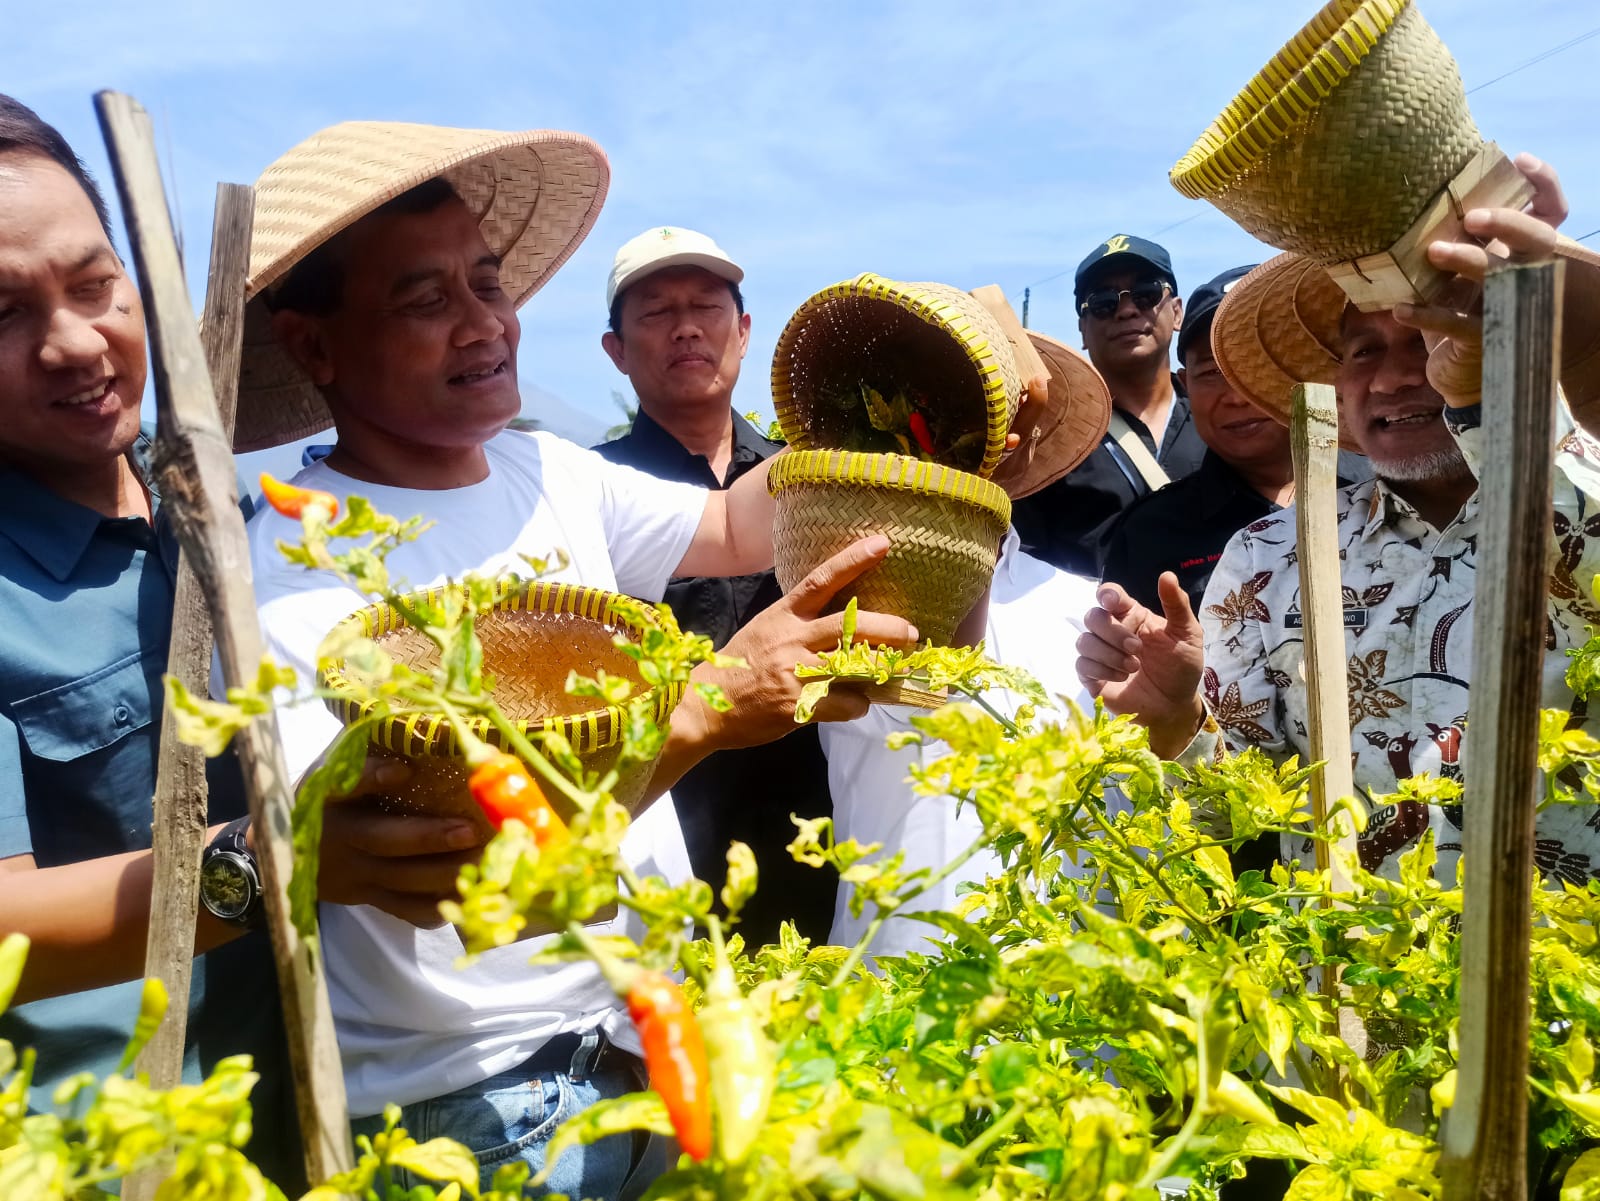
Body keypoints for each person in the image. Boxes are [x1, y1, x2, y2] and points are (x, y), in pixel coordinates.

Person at [236, 120, 917, 1198]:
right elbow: (440, 861)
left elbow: (740, 525)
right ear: (313, 345)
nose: (483, 326)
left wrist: (877, 428)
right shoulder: (294, 571)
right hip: (481, 1106)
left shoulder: (544, 470)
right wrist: (699, 708)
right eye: (426, 300)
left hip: (659, 1038)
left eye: (488, 283)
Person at [1075, 155, 1600, 884]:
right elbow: (1240, 818)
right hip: (1341, 988)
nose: (1393, 376)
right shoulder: (1267, 559)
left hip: (1564, 981)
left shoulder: (1578, 493)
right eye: (1364, 351)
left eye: (1428, 340)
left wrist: (1496, 390)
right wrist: (1177, 726)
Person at [0, 95, 299, 1186]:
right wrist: (266, 868)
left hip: (322, 1109)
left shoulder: (243, 516)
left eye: (93, 285)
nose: (74, 341)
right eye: (2, 314)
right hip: (110, 1154)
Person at [824, 330, 1111, 955]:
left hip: (1057, 1015)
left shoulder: (1087, 607)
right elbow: (931, 680)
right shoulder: (841, 596)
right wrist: (968, 502)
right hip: (886, 998)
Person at [595, 226, 836, 944]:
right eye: (657, 313)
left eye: (706, 306)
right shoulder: (592, 492)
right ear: (616, 350)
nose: (687, 327)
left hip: (812, 839)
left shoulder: (808, 476)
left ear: (744, 330)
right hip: (659, 850)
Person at [1100, 266, 1369, 613]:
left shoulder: (1386, 488)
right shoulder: (1148, 533)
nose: (1238, 395)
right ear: (1186, 384)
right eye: (1213, 373)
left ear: (1303, 367)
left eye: (1258, 365)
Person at [1011, 235, 1206, 577]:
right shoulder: (1049, 437)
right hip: (1090, 624)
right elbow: (1021, 560)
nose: (1127, 310)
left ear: (1176, 312)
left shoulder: (1222, 418)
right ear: (1083, 331)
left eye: (1146, 294)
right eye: (1103, 303)